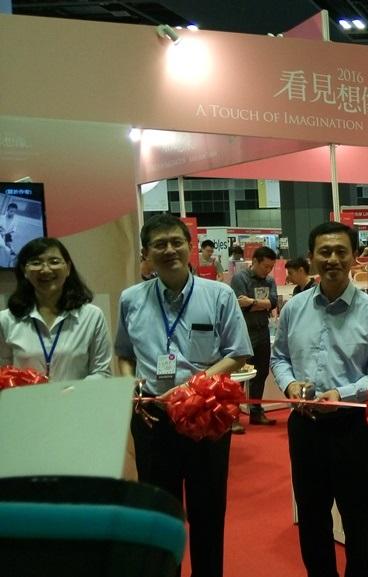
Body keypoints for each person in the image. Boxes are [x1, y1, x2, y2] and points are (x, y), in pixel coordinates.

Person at [115, 214, 252, 577]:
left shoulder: (218, 294)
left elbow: (238, 352)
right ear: (146, 252)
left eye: (176, 241)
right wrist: (134, 387)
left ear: (190, 246)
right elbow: (125, 354)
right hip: (153, 419)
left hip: (206, 416)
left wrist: (194, 386)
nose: (169, 250)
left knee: (208, 510)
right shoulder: (131, 299)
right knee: (161, 512)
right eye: (159, 244)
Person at [270, 221, 368, 577]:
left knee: (356, 518)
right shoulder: (294, 309)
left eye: (341, 251)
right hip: (305, 427)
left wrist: (343, 394)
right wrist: (290, 385)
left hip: (352, 429)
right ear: (311, 258)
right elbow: (279, 358)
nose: (333, 259)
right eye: (324, 252)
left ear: (355, 257)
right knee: (311, 516)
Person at [0, 237, 111, 381]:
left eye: (54, 262)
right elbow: (3, 373)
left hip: (77, 401)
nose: (45, 270)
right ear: (24, 271)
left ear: (68, 268)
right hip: (27, 403)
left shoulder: (92, 316)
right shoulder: (6, 320)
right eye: (36, 263)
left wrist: (68, 393)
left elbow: (101, 372)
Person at [230, 246, 279, 429]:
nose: (268, 271)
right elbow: (240, 305)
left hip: (263, 330)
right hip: (244, 332)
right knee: (240, 376)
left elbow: (273, 303)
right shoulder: (239, 279)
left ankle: (256, 412)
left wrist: (252, 302)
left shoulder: (270, 280)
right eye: (265, 266)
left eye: (271, 267)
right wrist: (259, 304)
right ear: (255, 261)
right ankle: (232, 416)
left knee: (261, 372)